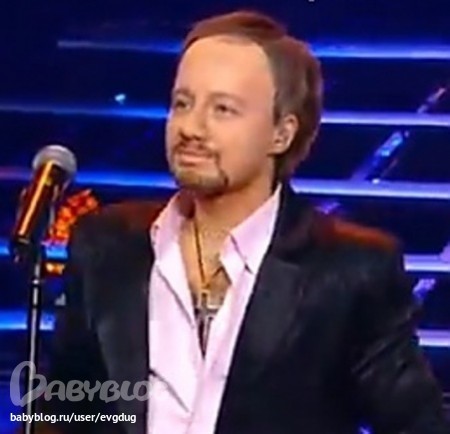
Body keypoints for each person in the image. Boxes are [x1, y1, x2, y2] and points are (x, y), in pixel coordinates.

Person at [35, 9, 450, 434]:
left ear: (281, 133)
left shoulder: (350, 270)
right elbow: (67, 411)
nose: (191, 127)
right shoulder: (106, 247)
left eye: (223, 109)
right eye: (182, 103)